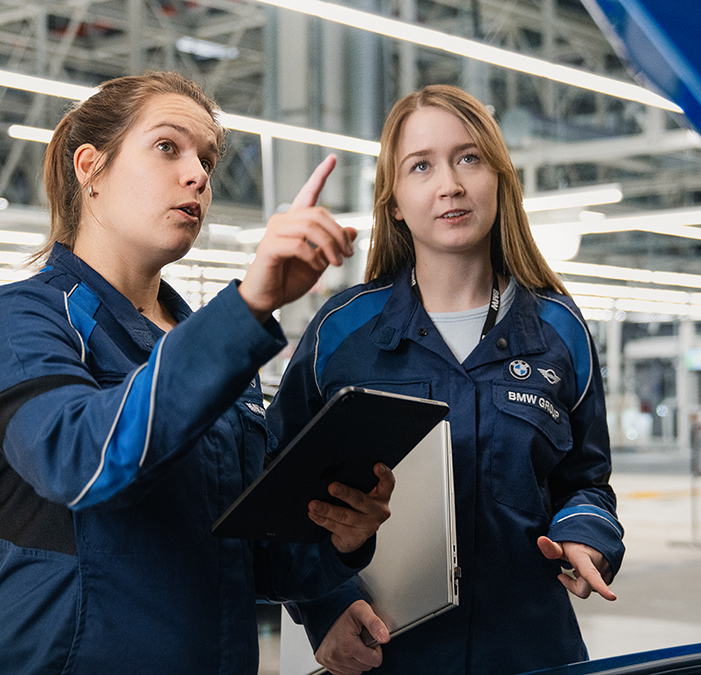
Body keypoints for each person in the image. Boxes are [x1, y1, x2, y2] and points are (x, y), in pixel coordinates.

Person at [0, 71, 394, 674]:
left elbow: (253, 558)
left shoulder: (221, 351)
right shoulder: (17, 319)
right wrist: (244, 309)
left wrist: (342, 536)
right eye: (168, 147)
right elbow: (80, 460)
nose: (198, 175)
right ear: (91, 168)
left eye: (207, 160)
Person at [267, 84, 625, 675]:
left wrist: (585, 537)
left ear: (499, 182)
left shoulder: (559, 329)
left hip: (530, 651)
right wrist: (323, 607)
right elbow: (280, 490)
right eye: (421, 166)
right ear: (397, 202)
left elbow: (587, 481)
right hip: (384, 654)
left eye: (469, 158)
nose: (450, 184)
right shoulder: (343, 333)